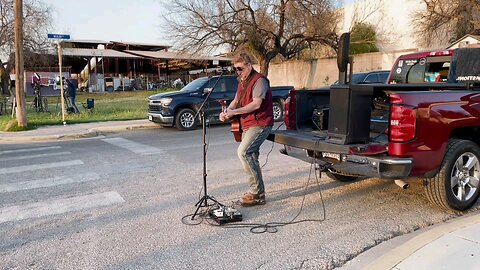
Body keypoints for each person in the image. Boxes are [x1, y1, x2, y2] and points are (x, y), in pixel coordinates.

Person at [219, 53, 274, 206]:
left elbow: (256, 104)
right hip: (247, 123)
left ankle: (257, 192)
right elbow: (236, 101)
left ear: (249, 66)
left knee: (244, 152)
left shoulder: (260, 81)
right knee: (251, 157)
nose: (238, 72)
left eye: (240, 68)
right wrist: (227, 112)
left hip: (260, 123)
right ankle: (257, 192)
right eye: (235, 69)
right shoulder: (242, 81)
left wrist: (234, 112)